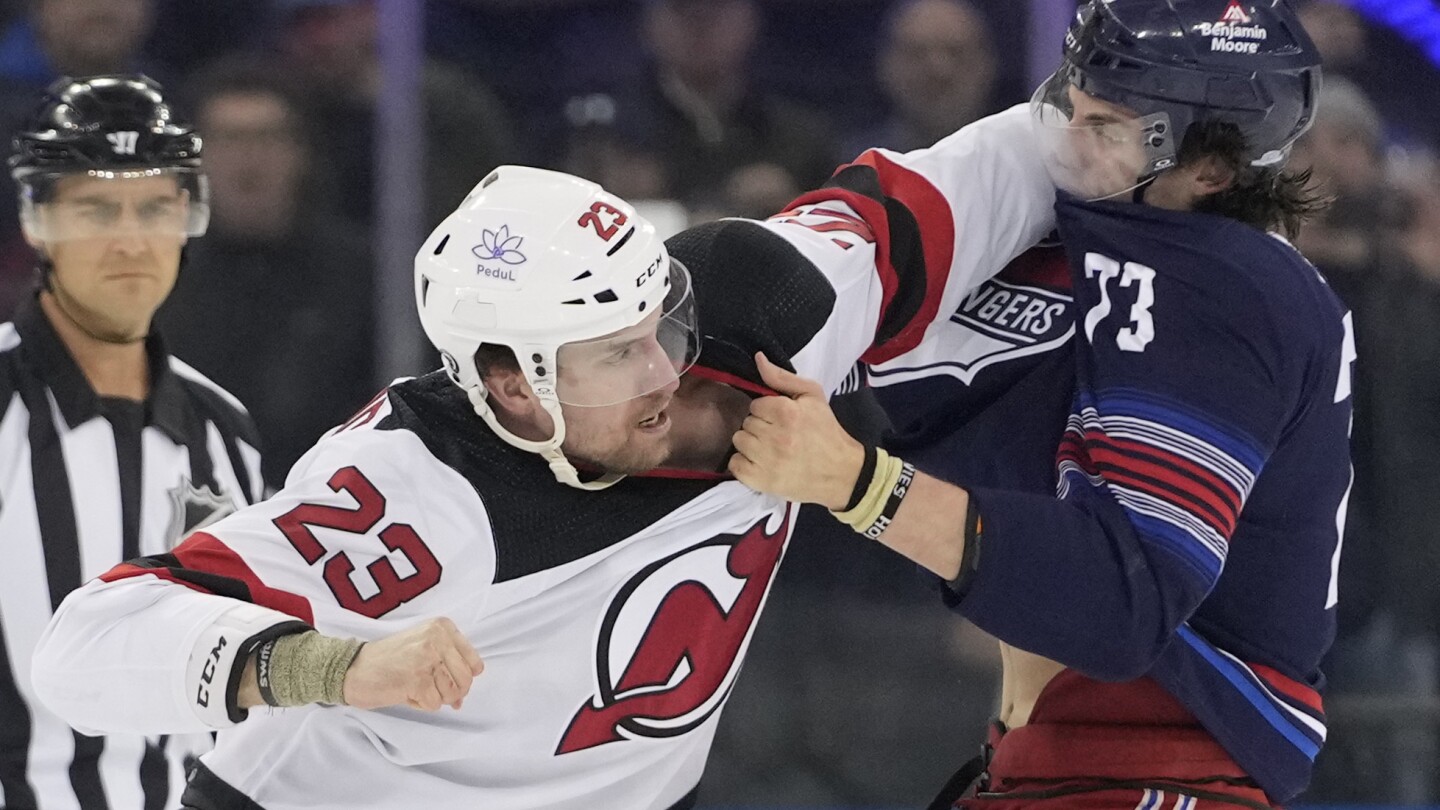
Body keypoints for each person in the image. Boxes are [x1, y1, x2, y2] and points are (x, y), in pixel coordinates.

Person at [30, 133, 1057, 808]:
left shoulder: (771, 315)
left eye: (659, 322)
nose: (663, 371)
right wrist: (330, 668)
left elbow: (990, 173)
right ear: (511, 386)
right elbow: (85, 645)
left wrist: (1109, 107)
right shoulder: (411, 496)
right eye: (614, 354)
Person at [727, 1, 1350, 807]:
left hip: (1156, 766)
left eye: (1109, 127)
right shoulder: (1123, 244)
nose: (1065, 141)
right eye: (1071, 106)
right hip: (1053, 756)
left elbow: (1122, 601)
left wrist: (856, 483)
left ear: (1211, 169)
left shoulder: (1223, 286)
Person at [0, 74, 263, 809]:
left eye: (155, 207)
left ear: (187, 217)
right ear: (36, 221)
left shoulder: (222, 429)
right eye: (95, 209)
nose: (130, 239)